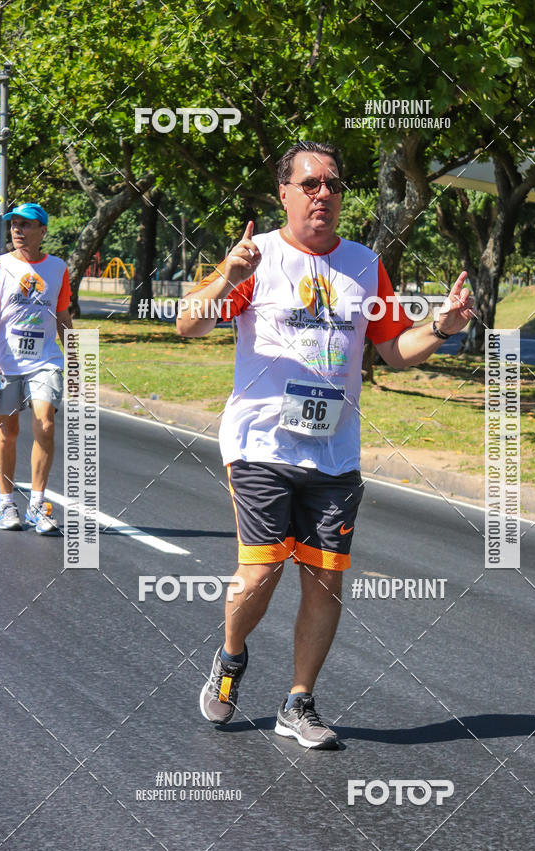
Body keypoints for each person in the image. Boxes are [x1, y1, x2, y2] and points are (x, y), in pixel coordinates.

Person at [177, 141, 473, 748]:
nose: (323, 195)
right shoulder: (256, 259)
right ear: (283, 193)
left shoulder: (366, 266)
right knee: (260, 572)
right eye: (309, 184)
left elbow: (393, 351)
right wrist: (226, 278)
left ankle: (299, 702)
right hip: (261, 442)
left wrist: (442, 326)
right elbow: (188, 323)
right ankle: (231, 659)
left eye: (333, 185)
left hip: (335, 453)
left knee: (325, 579)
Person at [0, 202, 72, 533]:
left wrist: (78, 358)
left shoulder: (57, 268)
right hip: (6, 362)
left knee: (46, 424)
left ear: (42, 231)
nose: (17, 230)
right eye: (14, 225)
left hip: (45, 361)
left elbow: (63, 315)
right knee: (7, 432)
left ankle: (38, 506)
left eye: (26, 225)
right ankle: (7, 503)